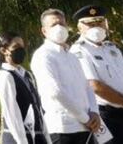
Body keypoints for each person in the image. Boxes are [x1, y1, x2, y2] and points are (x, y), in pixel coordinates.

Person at [69, 5, 123, 144]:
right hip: (105, 116)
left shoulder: (112, 48)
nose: (96, 27)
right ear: (80, 28)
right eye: (90, 24)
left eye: (99, 22)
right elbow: (94, 85)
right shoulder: (79, 51)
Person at [30, 8, 100, 144]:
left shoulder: (72, 56)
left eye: (62, 24)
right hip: (63, 129)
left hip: (86, 128)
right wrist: (85, 118)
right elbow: (55, 92)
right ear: (44, 31)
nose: (59, 28)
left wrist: (95, 112)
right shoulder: (43, 55)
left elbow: (87, 87)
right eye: (54, 25)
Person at [0, 32, 47, 144]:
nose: (21, 50)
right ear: (4, 51)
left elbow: (38, 109)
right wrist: (22, 141)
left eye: (22, 46)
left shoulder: (27, 75)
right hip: (18, 138)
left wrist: (46, 137)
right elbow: (12, 114)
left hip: (36, 136)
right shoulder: (5, 76)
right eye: (16, 47)